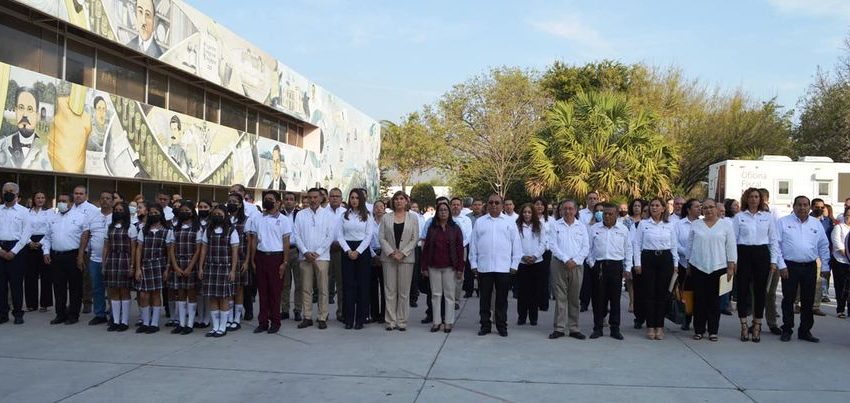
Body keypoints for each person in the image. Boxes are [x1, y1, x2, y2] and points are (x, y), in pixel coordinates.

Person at [776, 196, 830, 343]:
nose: (802, 207)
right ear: (793, 206)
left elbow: (823, 246)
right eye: (799, 205)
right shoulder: (783, 222)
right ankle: (787, 329)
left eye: (805, 205)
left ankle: (805, 331)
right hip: (790, 266)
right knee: (788, 299)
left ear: (809, 207)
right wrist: (781, 265)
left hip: (809, 267)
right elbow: (776, 246)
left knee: (808, 300)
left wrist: (825, 265)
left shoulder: (816, 224)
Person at [731, 188, 779, 343]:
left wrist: (773, 261)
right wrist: (733, 261)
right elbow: (732, 241)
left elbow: (773, 240)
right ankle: (744, 325)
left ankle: (757, 325)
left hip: (761, 254)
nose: (753, 199)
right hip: (743, 254)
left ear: (761, 199)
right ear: (746, 199)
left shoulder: (767, 217)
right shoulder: (739, 217)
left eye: (756, 197)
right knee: (743, 292)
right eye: (750, 196)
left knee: (760, 292)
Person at [470, 194, 521, 337]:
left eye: (497, 203)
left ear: (502, 205)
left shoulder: (510, 222)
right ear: (487, 204)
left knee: (502, 300)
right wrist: (474, 263)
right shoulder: (480, 222)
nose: (494, 205)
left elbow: (516, 244)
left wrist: (514, 264)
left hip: (503, 268)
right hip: (484, 267)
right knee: (484, 299)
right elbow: (474, 245)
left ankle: (501, 326)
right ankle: (485, 325)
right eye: (491, 202)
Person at [687, 199, 736, 341]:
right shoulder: (696, 225)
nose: (708, 210)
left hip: (718, 267)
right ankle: (699, 330)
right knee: (699, 300)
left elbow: (731, 246)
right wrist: (689, 263)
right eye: (705, 208)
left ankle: (713, 331)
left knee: (714, 302)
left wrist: (731, 266)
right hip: (698, 267)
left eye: (711, 207)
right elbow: (690, 246)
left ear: (716, 208)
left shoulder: (726, 226)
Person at [632, 198, 678, 340]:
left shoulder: (669, 225)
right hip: (648, 259)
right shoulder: (644, 224)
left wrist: (675, 264)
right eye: (652, 205)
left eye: (657, 205)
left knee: (662, 294)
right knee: (649, 293)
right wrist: (637, 263)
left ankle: (660, 326)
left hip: (665, 259)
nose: (654, 208)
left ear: (663, 208)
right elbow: (636, 244)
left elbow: (674, 245)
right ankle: (650, 326)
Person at [247, 191, 291, 334]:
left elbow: (286, 242)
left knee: (275, 292)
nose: (267, 201)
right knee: (263, 292)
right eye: (265, 199)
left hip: (276, 258)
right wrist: (253, 259)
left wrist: (285, 262)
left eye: (270, 199)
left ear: (278, 202)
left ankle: (275, 322)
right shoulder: (257, 218)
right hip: (260, 257)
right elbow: (253, 240)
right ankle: (263, 322)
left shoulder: (284, 220)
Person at [42, 193, 90, 325]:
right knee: (58, 287)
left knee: (75, 287)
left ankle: (73, 315)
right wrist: (46, 252)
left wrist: (81, 256)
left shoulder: (80, 217)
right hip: (56, 256)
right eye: (59, 201)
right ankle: (60, 314)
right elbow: (47, 237)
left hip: (73, 255)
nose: (61, 203)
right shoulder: (53, 218)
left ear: (71, 202)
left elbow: (85, 237)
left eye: (64, 201)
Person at [587, 203, 632, 340]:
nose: (607, 216)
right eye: (605, 213)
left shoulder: (623, 230)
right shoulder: (594, 229)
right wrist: (591, 263)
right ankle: (598, 328)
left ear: (617, 215)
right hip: (599, 266)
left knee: (615, 299)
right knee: (598, 299)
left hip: (616, 266)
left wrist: (627, 268)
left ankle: (615, 328)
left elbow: (628, 249)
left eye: (610, 214)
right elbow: (588, 248)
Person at [294, 188, 335, 330]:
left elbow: (330, 236)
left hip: (322, 257)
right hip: (305, 257)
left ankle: (322, 316)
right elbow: (296, 235)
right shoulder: (300, 214)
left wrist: (317, 252)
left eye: (315, 197)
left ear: (321, 198)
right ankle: (307, 316)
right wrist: (305, 252)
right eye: (310, 197)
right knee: (306, 288)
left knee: (323, 288)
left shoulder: (328, 215)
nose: (313, 200)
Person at [548, 200, 589, 340]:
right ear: (561, 210)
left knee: (574, 297)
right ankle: (559, 328)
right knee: (560, 297)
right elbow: (552, 245)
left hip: (576, 265)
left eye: (571, 208)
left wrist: (575, 261)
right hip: (559, 264)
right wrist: (565, 259)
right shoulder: (555, 225)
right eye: (565, 208)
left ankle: (574, 328)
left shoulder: (581, 227)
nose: (568, 211)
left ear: (576, 210)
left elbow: (586, 247)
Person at [421, 202, 464, 333]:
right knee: (435, 295)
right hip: (434, 266)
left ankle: (448, 322)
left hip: (450, 267)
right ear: (437, 212)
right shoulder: (432, 228)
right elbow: (426, 248)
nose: (443, 212)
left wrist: (460, 269)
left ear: (449, 212)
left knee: (449, 295)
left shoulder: (455, 228)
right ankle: (436, 321)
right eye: (440, 210)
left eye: (445, 210)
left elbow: (460, 249)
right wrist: (424, 267)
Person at [379, 191, 419, 331]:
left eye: (401, 199)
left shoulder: (413, 218)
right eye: (396, 199)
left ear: (406, 201)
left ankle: (402, 321)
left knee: (404, 292)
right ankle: (390, 321)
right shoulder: (386, 218)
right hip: (389, 258)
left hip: (406, 259)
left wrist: (403, 253)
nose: (398, 201)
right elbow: (382, 237)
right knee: (390, 291)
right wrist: (391, 252)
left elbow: (415, 238)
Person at [198, 205, 239, 337]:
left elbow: (234, 253)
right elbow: (203, 250)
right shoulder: (208, 230)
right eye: (215, 214)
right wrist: (200, 267)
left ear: (225, 215)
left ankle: (223, 326)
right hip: (210, 268)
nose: (217, 216)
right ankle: (214, 326)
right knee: (213, 298)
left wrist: (232, 270)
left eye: (220, 214)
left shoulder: (231, 231)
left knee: (224, 298)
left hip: (225, 268)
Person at [337, 189, 373, 329]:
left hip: (362, 251)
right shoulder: (344, 215)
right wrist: (348, 251)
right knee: (348, 285)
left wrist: (357, 251)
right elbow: (339, 235)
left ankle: (360, 319)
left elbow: (368, 235)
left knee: (362, 286)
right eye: (352, 197)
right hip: (347, 250)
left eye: (357, 198)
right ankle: (348, 318)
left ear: (361, 200)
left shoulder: (367, 216)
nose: (354, 200)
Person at [133, 204, 172, 334]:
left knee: (156, 293)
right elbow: (139, 249)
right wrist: (137, 268)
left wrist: (167, 268)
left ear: (161, 214)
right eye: (151, 212)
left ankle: (154, 323)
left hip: (159, 265)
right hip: (145, 265)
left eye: (156, 212)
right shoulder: (143, 229)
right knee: (144, 294)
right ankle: (145, 322)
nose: (153, 215)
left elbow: (169, 251)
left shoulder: (167, 231)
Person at [166, 201, 201, 335]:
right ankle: (181, 323)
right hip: (178, 264)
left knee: (191, 293)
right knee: (180, 294)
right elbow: (171, 249)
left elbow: (198, 250)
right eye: (182, 211)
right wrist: (175, 266)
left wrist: (190, 267)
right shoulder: (175, 228)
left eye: (187, 210)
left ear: (192, 212)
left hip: (191, 264)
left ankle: (190, 324)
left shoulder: (197, 229)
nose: (184, 213)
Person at [0, 182, 32, 324]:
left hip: (17, 250)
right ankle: (2, 314)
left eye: (11, 191)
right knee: (1, 285)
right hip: (0, 249)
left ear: (17, 194)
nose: (8, 193)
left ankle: (18, 313)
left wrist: (13, 252)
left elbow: (26, 234)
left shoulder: (24, 212)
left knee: (16, 284)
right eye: (5, 191)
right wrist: (0, 251)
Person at [102, 202, 136, 332]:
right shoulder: (109, 227)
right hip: (112, 260)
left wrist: (132, 265)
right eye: (116, 210)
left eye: (121, 210)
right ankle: (115, 320)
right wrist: (104, 264)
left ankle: (124, 321)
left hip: (125, 260)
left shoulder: (131, 227)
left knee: (124, 291)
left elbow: (133, 248)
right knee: (113, 291)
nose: (118, 212)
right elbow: (106, 247)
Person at [0, 88, 51, 170]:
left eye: (30, 109)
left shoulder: (46, 151)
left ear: (37, 115)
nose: (24, 115)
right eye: (21, 107)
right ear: (16, 110)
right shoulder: (2, 145)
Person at [515, 203, 547, 326]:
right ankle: (522, 317)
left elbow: (543, 243)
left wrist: (535, 256)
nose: (527, 214)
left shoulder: (539, 226)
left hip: (536, 262)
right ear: (521, 213)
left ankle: (533, 317)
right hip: (522, 262)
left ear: (533, 213)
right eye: (524, 212)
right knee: (522, 292)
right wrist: (522, 256)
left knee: (534, 291)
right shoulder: (517, 226)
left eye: (529, 212)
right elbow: (515, 244)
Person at [86, 191, 114, 326]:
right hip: (94, 258)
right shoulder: (92, 216)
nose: (105, 201)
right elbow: (86, 235)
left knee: (112, 288)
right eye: (102, 198)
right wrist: (81, 254)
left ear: (112, 201)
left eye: (108, 198)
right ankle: (100, 314)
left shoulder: (117, 216)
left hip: (112, 260)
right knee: (97, 288)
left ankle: (114, 314)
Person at [225, 194, 250, 332]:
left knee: (239, 289)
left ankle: (237, 317)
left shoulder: (246, 221)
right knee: (228, 289)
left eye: (234, 202)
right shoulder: (225, 219)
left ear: (240, 204)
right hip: (226, 259)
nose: (231, 204)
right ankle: (228, 316)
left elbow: (250, 243)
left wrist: (247, 261)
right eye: (229, 202)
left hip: (240, 258)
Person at [24, 191, 53, 312]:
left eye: (42, 197)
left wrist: (41, 243)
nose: (40, 199)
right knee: (30, 275)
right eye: (38, 197)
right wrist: (29, 241)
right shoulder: (26, 213)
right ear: (33, 199)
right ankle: (31, 304)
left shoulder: (49, 213)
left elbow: (50, 230)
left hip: (44, 242)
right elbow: (22, 229)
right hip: (29, 242)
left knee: (46, 275)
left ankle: (45, 303)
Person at [622, 199, 645, 327]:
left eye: (639, 206)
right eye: (635, 206)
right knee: (631, 281)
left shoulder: (645, 221)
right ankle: (632, 301)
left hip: (644, 256)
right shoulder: (628, 221)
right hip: (631, 254)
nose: (637, 208)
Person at [280, 191, 302, 321]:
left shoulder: (300, 215)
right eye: (286, 199)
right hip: (283, 251)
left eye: (291, 199)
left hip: (297, 250)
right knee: (285, 283)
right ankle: (284, 310)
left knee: (299, 283)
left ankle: (298, 310)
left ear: (295, 202)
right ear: (283, 202)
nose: (289, 201)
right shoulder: (279, 215)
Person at [810, 198, 832, 317]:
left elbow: (828, 239)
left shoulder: (827, 222)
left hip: (820, 256)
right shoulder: (806, 219)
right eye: (817, 207)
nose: (820, 209)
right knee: (802, 283)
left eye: (822, 207)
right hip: (808, 255)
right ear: (812, 207)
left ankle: (816, 306)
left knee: (819, 282)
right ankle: (798, 304)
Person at [326, 188, 345, 320]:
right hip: (324, 250)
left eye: (337, 196)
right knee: (324, 284)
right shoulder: (322, 212)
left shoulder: (346, 213)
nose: (334, 198)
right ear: (328, 198)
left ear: (341, 198)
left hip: (341, 251)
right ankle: (324, 313)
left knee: (341, 283)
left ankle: (341, 312)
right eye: (332, 196)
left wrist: (340, 243)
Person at [449, 198, 473, 302]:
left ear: (461, 206)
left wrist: (459, 246)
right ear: (450, 206)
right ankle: (448, 298)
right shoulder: (446, 218)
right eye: (453, 204)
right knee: (448, 274)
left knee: (459, 275)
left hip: (462, 249)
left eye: (458, 205)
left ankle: (456, 299)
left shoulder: (466, 220)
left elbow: (469, 236)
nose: (455, 206)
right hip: (447, 249)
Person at [532, 197, 553, 311]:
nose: (539, 206)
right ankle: (534, 302)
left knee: (544, 278)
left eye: (541, 204)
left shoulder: (551, 220)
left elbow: (553, 236)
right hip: (534, 252)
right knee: (534, 279)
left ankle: (544, 303)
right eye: (537, 204)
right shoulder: (530, 219)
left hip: (546, 252)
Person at [369, 200, 387, 323]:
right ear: (373, 209)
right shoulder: (368, 222)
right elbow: (366, 238)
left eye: (381, 207)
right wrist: (374, 255)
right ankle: (374, 314)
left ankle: (384, 314)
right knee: (372, 287)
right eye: (377, 207)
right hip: (371, 254)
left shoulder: (388, 222)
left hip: (385, 255)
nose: (379, 209)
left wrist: (383, 255)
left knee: (385, 287)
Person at [833, 208, 850, 318]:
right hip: (841, 261)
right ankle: (840, 309)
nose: (849, 217)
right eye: (847, 215)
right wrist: (847, 254)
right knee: (841, 287)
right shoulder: (838, 227)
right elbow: (837, 242)